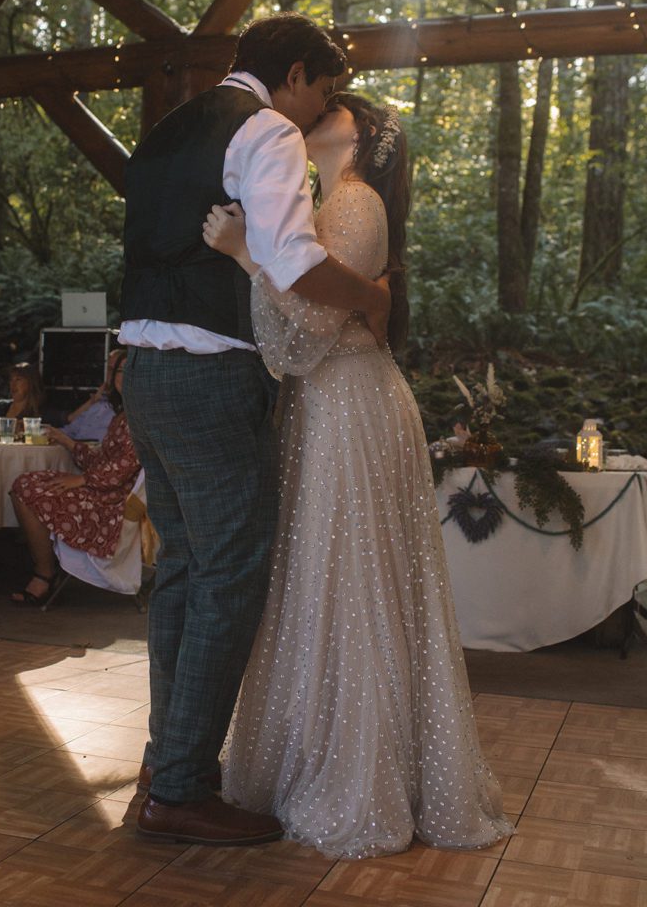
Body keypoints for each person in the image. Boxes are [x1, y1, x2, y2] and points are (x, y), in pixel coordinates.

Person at [202, 92, 514, 858]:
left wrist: (245, 253)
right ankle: (317, 760)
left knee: (350, 583)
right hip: (327, 403)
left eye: (335, 107)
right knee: (322, 583)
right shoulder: (322, 199)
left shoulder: (355, 201)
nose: (314, 110)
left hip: (349, 403)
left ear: (364, 135)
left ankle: (362, 781)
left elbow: (309, 324)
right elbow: (312, 313)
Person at [119, 13, 391, 847]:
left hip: (145, 366)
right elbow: (292, 260)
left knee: (183, 571)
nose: (320, 112)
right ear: (298, 74)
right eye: (324, 91)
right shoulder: (265, 127)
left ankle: (165, 764)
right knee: (231, 573)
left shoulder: (172, 127)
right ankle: (183, 787)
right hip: (210, 374)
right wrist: (377, 297)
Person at [9, 351, 140, 606]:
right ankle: (46, 567)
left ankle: (44, 574)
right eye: (119, 371)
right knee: (24, 485)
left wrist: (82, 481)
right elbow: (101, 460)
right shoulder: (122, 416)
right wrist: (67, 441)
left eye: (129, 370)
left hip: (111, 503)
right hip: (100, 489)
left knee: (27, 491)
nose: (122, 377)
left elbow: (125, 466)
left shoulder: (142, 417)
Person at [59, 348, 120, 441]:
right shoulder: (98, 404)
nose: (111, 374)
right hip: (75, 451)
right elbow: (70, 430)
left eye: (117, 370)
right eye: (109, 369)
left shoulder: (127, 411)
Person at [0, 361, 63, 427]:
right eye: (11, 380)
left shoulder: (42, 412)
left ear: (31, 383)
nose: (13, 385)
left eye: (18, 379)